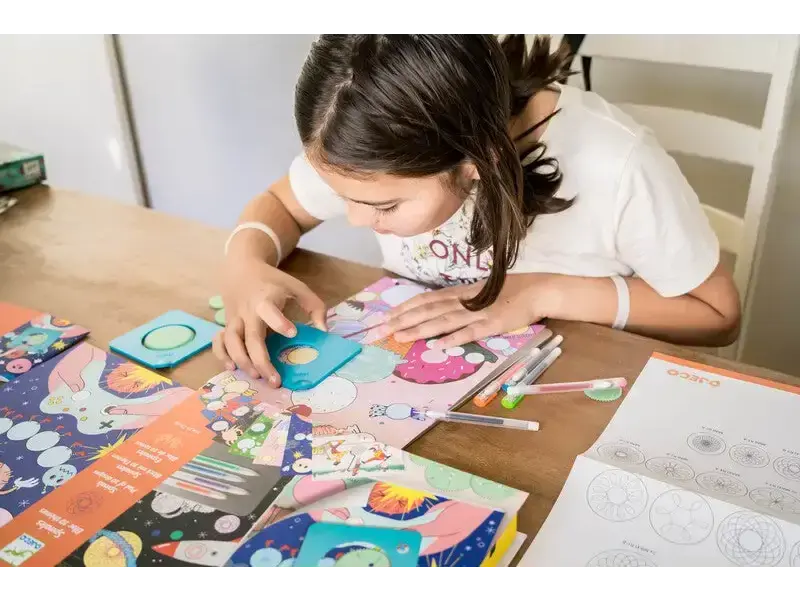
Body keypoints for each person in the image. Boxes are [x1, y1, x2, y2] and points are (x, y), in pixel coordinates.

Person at [215, 33, 741, 386]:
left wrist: (542, 291)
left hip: (574, 391)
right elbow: (281, 203)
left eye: (384, 206)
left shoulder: (618, 164)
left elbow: (718, 316)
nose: (353, 219)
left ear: (478, 163)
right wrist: (244, 264)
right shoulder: (373, 134)